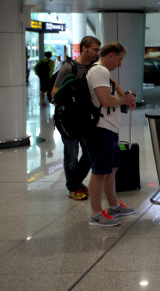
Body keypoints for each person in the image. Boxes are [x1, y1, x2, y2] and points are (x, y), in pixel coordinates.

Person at [83, 42, 137, 227]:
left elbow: (110, 95)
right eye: (119, 59)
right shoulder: (99, 71)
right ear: (111, 55)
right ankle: (96, 215)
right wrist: (124, 99)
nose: (120, 64)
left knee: (111, 169)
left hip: (109, 128)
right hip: (100, 129)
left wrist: (124, 99)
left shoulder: (103, 73)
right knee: (100, 171)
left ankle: (113, 206)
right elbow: (105, 100)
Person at [52, 36, 101, 201]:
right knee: (71, 154)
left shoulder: (95, 67)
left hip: (87, 118)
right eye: (94, 49)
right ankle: (73, 188)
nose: (97, 53)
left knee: (89, 153)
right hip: (70, 119)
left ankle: (76, 181)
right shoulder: (69, 67)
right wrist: (66, 111)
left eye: (98, 50)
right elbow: (55, 92)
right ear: (84, 48)